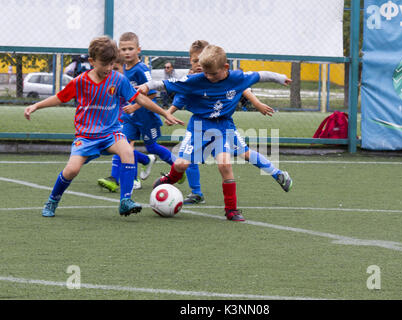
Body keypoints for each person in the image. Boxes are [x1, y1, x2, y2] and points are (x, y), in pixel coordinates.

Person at [24, 36, 184, 218]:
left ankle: (125, 200)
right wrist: (36, 105)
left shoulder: (118, 79)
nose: (109, 68)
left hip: (111, 134)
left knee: (128, 152)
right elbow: (60, 97)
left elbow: (140, 98)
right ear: (92, 61)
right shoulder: (81, 81)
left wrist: (165, 113)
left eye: (112, 64)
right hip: (85, 137)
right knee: (72, 170)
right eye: (104, 64)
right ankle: (53, 200)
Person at [138, 44, 291, 222]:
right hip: (199, 126)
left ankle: (231, 210)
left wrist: (280, 78)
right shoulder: (195, 80)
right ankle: (169, 179)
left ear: (225, 68)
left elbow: (261, 75)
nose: (208, 77)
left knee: (225, 165)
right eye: (205, 73)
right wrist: (147, 86)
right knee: (181, 165)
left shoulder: (237, 78)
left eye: (212, 73)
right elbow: (164, 84)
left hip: (223, 126)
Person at [97, 32, 185, 193]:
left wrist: (135, 106)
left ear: (138, 49)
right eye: (123, 49)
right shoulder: (124, 67)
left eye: (130, 48)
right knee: (121, 143)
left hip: (146, 117)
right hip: (130, 118)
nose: (127, 52)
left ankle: (177, 168)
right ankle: (114, 179)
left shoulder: (141, 69)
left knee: (152, 147)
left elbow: (152, 93)